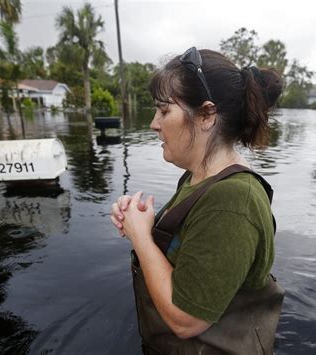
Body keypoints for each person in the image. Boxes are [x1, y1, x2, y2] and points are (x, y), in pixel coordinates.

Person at [110, 47, 285, 354]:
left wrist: (141, 239)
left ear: (206, 115)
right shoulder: (198, 177)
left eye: (164, 111)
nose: (154, 123)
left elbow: (185, 320)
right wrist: (141, 223)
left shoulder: (233, 201)